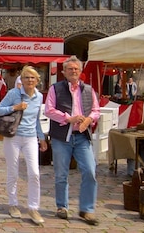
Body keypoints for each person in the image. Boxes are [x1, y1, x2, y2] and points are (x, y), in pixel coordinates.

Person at [44, 56, 100, 226]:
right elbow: (49, 110)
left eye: (76, 68)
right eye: (70, 69)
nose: (73, 71)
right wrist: (68, 118)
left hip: (82, 137)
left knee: (90, 171)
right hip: (62, 137)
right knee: (61, 174)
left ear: (80, 71)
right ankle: (62, 206)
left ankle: (87, 209)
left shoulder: (89, 90)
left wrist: (89, 119)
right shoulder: (56, 89)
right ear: (64, 72)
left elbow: (96, 110)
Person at [0, 66, 48, 226]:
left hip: (30, 137)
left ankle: (33, 207)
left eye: (32, 78)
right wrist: (15, 107)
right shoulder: (14, 94)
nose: (29, 80)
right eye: (26, 77)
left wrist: (42, 138)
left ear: (37, 80)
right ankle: (13, 204)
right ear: (22, 80)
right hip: (14, 136)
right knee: (13, 171)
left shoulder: (39, 97)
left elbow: (37, 119)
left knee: (34, 173)